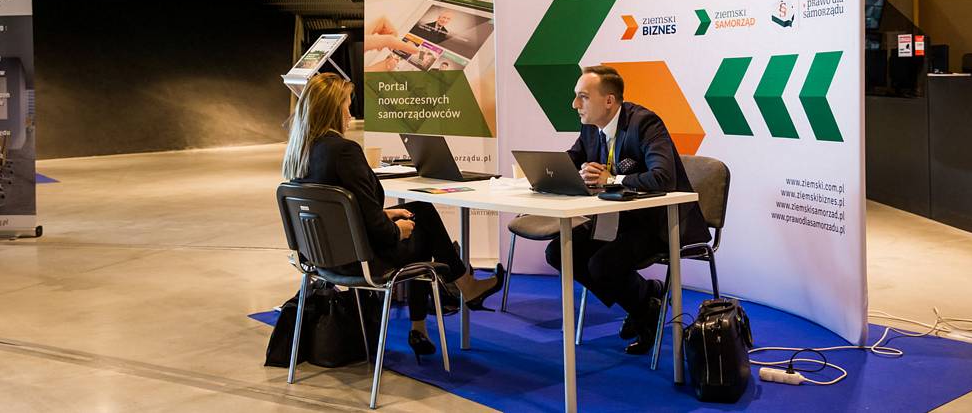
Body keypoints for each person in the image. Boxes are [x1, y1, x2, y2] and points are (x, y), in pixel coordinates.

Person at [282, 73, 504, 360]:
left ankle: (423, 325)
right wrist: (397, 230)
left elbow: (337, 211)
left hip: (320, 260)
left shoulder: (300, 152)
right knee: (422, 221)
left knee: (419, 212)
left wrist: (385, 214)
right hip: (363, 261)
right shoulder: (345, 151)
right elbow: (380, 232)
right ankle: (461, 289)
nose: (350, 113)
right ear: (333, 109)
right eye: (347, 104)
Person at [545, 65, 710, 354]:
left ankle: (644, 307)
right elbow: (572, 160)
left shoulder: (644, 123)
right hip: (617, 220)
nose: (574, 104)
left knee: (602, 265)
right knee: (559, 252)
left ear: (609, 100)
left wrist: (611, 179)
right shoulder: (590, 127)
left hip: (659, 222)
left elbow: (663, 177)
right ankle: (645, 302)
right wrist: (550, 173)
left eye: (583, 96)